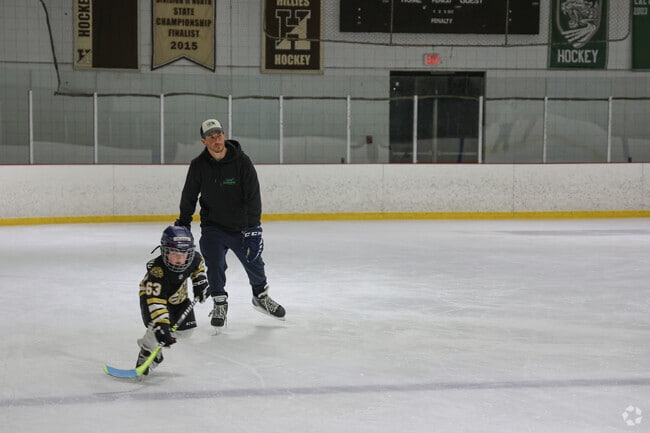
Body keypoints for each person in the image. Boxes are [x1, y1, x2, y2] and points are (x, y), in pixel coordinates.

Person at [174, 118, 285, 329]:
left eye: (219, 135)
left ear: (224, 135)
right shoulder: (198, 165)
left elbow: (253, 196)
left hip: (242, 226)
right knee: (214, 263)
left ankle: (260, 297)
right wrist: (184, 223)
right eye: (211, 137)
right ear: (203, 141)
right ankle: (219, 303)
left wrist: (254, 228)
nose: (216, 140)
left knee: (254, 261)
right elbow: (189, 195)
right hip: (213, 226)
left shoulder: (242, 162)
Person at [135, 225, 209, 375]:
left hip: (178, 298)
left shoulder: (193, 258)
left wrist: (199, 281)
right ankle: (147, 351)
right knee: (159, 326)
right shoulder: (157, 272)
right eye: (175, 254)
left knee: (187, 331)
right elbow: (155, 299)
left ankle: (161, 339)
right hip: (152, 299)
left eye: (184, 254)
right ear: (164, 250)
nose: (180, 259)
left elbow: (198, 265)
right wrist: (162, 324)